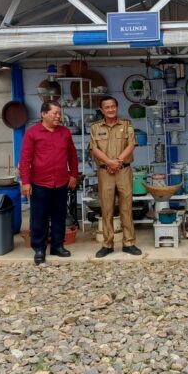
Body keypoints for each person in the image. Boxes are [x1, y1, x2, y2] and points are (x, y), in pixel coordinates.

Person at [19, 100, 78, 265]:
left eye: (59, 113)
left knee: (59, 215)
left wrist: (73, 175)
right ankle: (39, 249)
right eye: (55, 113)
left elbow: (72, 156)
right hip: (39, 182)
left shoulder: (65, 132)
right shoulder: (32, 133)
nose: (58, 116)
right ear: (43, 114)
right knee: (39, 217)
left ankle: (57, 246)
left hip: (61, 181)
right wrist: (25, 182)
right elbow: (24, 160)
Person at [89, 96, 139, 258]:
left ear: (116, 108)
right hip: (105, 172)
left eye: (113, 106)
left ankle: (129, 242)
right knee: (107, 208)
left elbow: (131, 145)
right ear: (102, 110)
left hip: (123, 170)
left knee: (126, 207)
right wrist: (109, 162)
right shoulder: (95, 128)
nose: (110, 109)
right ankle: (108, 244)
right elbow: (94, 149)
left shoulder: (126, 125)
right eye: (107, 107)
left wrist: (116, 162)